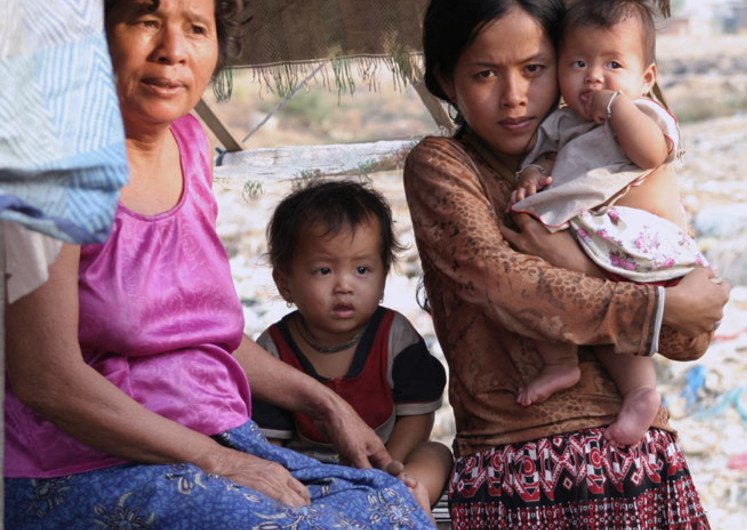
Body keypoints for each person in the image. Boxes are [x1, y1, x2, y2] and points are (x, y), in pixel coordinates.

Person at [3, 1, 432, 527]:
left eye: (196, 29)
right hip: (89, 462)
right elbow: (47, 379)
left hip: (216, 437)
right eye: (145, 20)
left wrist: (326, 404)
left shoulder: (190, 145)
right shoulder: (49, 165)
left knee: (393, 506)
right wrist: (217, 460)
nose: (173, 52)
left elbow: (205, 335)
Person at [404, 0, 730, 527]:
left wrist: (662, 303)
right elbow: (502, 284)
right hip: (521, 468)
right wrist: (656, 305)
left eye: (534, 70)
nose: (514, 96)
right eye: (485, 74)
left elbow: (686, 336)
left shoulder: (619, 165)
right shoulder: (444, 166)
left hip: (641, 461)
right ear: (445, 79)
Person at [506, 0, 707, 447]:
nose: (593, 77)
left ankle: (640, 390)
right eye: (578, 63)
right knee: (556, 290)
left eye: (612, 64)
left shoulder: (643, 112)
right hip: (589, 233)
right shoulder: (561, 123)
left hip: (632, 234)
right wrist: (531, 177)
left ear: (646, 78)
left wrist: (617, 105)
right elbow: (541, 161)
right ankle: (568, 363)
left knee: (612, 308)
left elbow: (651, 153)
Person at [251, 179, 453, 510]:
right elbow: (269, 443)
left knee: (436, 454)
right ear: (284, 282)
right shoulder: (273, 350)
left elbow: (417, 415)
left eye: (362, 269)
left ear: (384, 274)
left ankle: (405, 501)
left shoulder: (394, 336)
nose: (344, 285)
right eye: (323, 270)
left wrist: (387, 470)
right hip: (309, 476)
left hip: (389, 463)